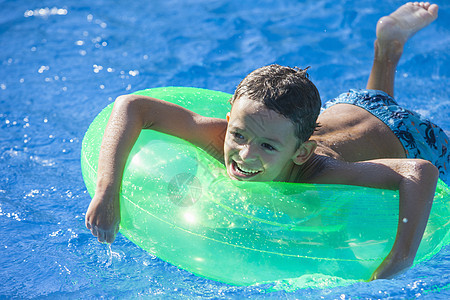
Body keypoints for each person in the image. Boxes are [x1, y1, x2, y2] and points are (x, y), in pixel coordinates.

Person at [85, 2, 446, 280]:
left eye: (267, 147)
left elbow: (419, 170)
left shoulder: (320, 173)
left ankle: (388, 48)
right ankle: (387, 46)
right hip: (354, 106)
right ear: (229, 117)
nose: (244, 154)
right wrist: (107, 189)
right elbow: (131, 106)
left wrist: (399, 258)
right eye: (238, 134)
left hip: (408, 134)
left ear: (301, 153)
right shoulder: (220, 135)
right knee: (370, 112)